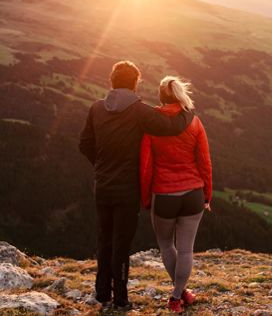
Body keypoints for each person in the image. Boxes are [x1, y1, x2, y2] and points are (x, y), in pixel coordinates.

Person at [79, 61, 194, 311]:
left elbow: (84, 144)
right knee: (121, 243)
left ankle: (102, 294)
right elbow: (171, 127)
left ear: (111, 81)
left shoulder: (96, 108)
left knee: (104, 239)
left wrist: (100, 166)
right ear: (135, 83)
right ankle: (120, 299)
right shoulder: (139, 111)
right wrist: (188, 112)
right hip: (127, 190)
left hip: (103, 186)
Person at [140, 76, 212, 314]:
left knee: (165, 244)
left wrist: (146, 198)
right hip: (193, 193)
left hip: (165, 194)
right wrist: (207, 196)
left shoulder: (152, 124)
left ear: (161, 96)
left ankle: (176, 295)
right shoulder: (194, 121)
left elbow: (146, 165)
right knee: (186, 250)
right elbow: (204, 162)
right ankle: (179, 294)